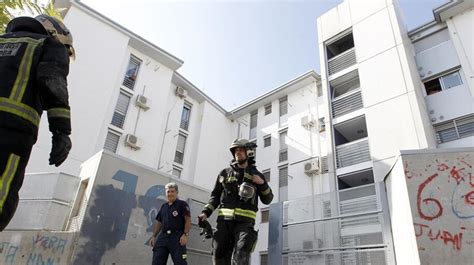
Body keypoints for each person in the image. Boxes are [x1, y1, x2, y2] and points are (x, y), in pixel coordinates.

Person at [0, 15, 74, 231]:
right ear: (54, 33)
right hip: (10, 134)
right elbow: (52, 83)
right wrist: (62, 132)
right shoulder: (47, 45)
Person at [198, 139, 274, 265]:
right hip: (223, 223)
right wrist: (205, 213)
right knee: (219, 256)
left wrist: (262, 183)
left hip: (245, 224)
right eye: (235, 150)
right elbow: (215, 196)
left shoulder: (257, 175)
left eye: (240, 149)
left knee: (241, 256)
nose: (237, 152)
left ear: (249, 152)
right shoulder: (224, 174)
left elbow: (268, 199)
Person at [150, 182, 191, 265]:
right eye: (168, 192)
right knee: (157, 261)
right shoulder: (164, 206)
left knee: (180, 262)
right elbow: (159, 222)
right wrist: (154, 236)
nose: (170, 193)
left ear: (177, 192)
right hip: (163, 236)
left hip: (177, 237)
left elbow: (188, 220)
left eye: (172, 191)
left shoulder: (182, 204)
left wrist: (185, 234)